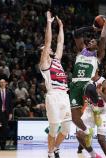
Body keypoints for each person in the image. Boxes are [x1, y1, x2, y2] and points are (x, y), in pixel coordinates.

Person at [70, 16, 106, 158]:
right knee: (74, 118)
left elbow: (103, 40)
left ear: (97, 46)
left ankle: (97, 111)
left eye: (94, 41)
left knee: (91, 88)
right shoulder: (81, 50)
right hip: (75, 84)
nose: (91, 41)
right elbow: (76, 33)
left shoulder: (97, 55)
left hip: (87, 82)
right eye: (90, 40)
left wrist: (104, 26)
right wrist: (92, 28)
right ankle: (92, 151)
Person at [39, 11, 72, 158]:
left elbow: (60, 43)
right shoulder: (44, 64)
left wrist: (61, 27)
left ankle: (56, 148)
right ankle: (50, 153)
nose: (48, 49)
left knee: (66, 129)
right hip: (53, 96)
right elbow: (48, 42)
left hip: (64, 96)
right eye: (45, 50)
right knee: (53, 128)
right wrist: (49, 23)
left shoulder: (57, 60)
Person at [78, 68, 106, 158]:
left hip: (102, 112)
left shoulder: (103, 82)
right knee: (79, 134)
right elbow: (83, 98)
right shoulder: (85, 81)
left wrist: (100, 92)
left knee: (101, 139)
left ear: (97, 69)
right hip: (90, 110)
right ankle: (91, 153)